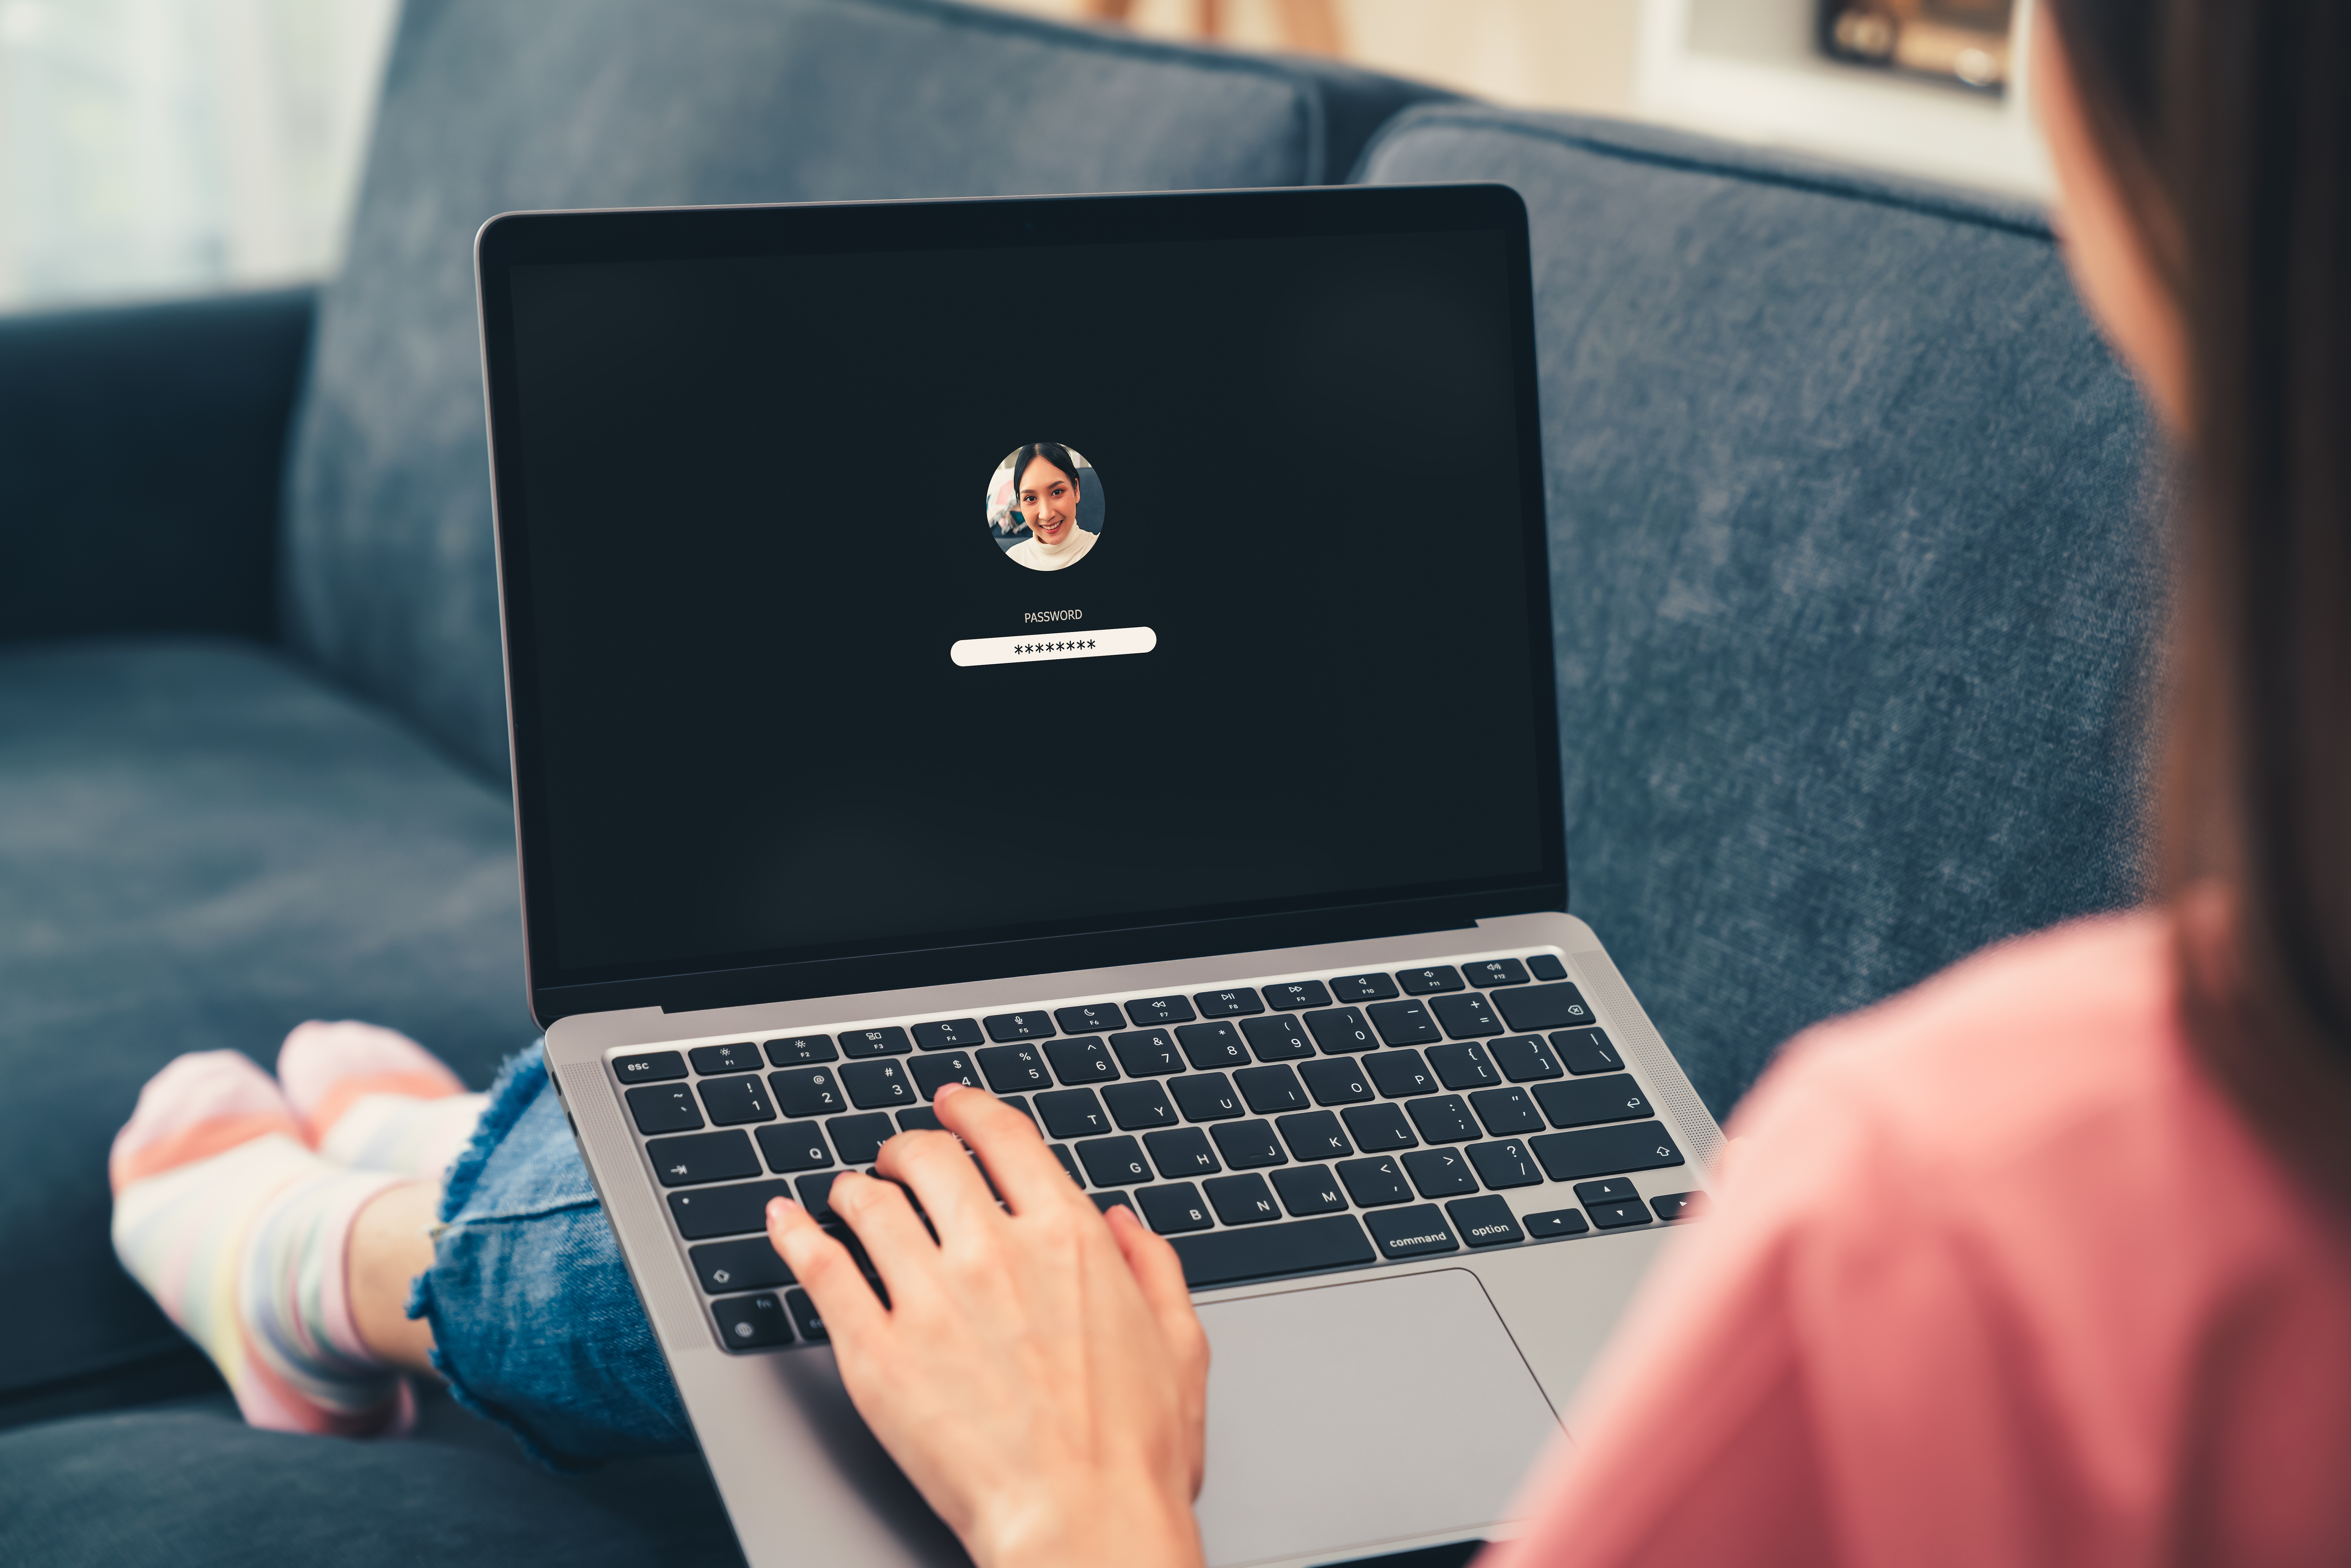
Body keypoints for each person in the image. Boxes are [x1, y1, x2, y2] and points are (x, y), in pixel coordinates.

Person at [105, 0, 2351, 1560]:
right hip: (1425, 1067)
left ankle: (329, 1263)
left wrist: (1075, 1504)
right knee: (806, 1181)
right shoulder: (2021, 1170)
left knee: (778, 1228)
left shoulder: (1959, 1193)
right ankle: (433, 1161)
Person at [999, 442, 1097, 571]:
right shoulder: (1014, 557)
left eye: (1057, 492)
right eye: (1031, 498)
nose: (1046, 515)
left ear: (1076, 490)